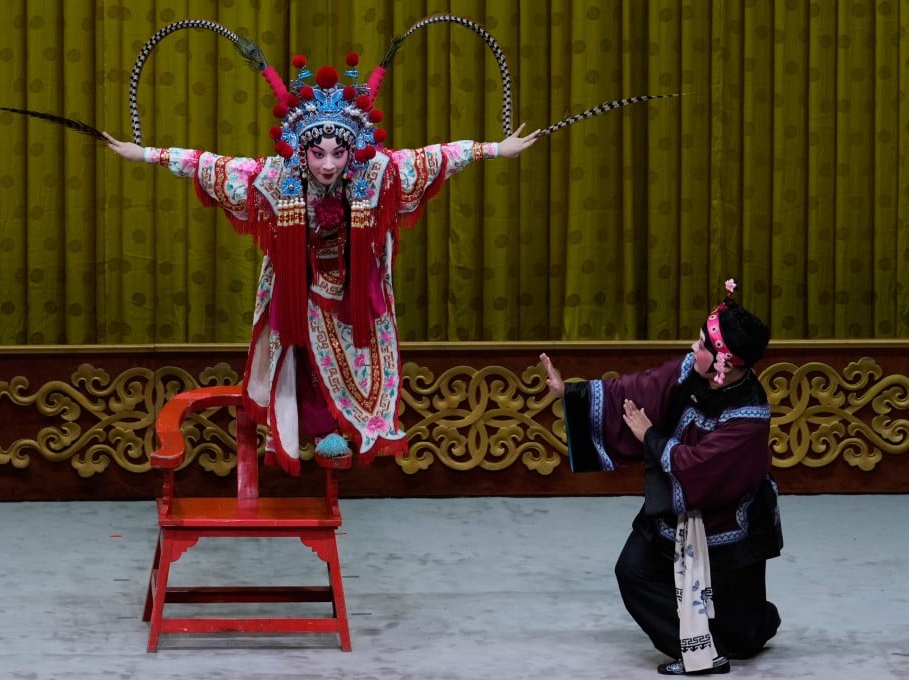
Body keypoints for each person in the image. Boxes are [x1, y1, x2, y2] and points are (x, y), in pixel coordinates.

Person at [104, 53, 540, 475]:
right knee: (297, 353)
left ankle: (345, 428)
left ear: (353, 150)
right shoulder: (275, 176)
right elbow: (208, 164)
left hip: (354, 290)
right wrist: (144, 155)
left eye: (338, 153)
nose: (329, 164)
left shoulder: (376, 172)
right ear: (301, 152)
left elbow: (438, 156)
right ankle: (305, 430)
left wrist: (498, 149)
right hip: (299, 285)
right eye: (318, 154)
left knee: (359, 354)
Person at [540, 280, 782, 676]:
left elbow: (699, 467)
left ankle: (740, 632)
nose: (693, 347)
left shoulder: (749, 419)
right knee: (633, 570)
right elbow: (637, 389)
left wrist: (650, 436)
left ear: (728, 363)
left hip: (728, 526)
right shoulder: (690, 372)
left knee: (742, 629)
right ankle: (699, 654)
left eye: (703, 344)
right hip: (675, 510)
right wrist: (568, 391)